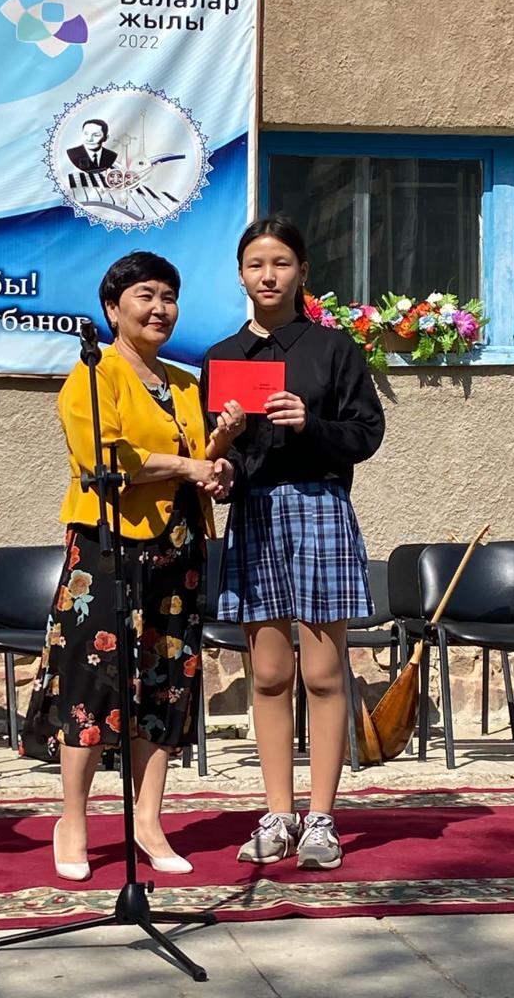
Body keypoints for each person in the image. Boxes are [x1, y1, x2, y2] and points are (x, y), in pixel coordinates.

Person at [21, 251, 235, 881]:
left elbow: (196, 458)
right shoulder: (94, 376)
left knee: (167, 681)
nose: (160, 308)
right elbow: (105, 458)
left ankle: (148, 820)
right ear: (113, 309)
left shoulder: (185, 383)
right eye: (146, 295)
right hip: (108, 550)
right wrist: (190, 465)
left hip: (178, 550)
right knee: (93, 685)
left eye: (169, 296)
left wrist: (220, 453)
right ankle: (73, 821)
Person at [201, 214, 385, 871]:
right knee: (271, 674)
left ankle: (322, 818)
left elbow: (366, 433)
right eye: (256, 264)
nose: (268, 275)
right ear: (241, 275)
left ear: (302, 271)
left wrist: (311, 424)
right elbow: (217, 456)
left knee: (324, 673)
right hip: (254, 514)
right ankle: (278, 814)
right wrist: (222, 459)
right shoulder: (221, 356)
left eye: (281, 263)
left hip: (319, 508)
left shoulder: (333, 349)